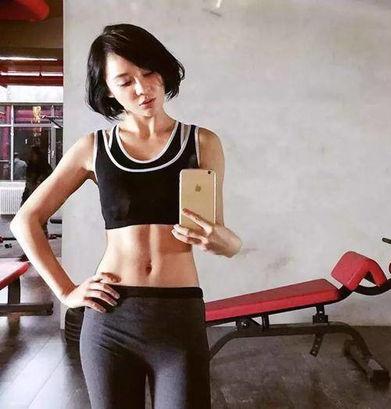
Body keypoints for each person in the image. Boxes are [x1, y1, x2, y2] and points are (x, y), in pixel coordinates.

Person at [10, 23, 242, 409]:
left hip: (179, 315)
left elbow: (227, 240)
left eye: (149, 73)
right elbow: (26, 220)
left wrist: (221, 240)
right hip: (111, 318)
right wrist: (66, 292)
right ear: (107, 90)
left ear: (164, 71)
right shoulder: (93, 148)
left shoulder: (202, 142)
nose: (142, 88)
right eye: (125, 81)